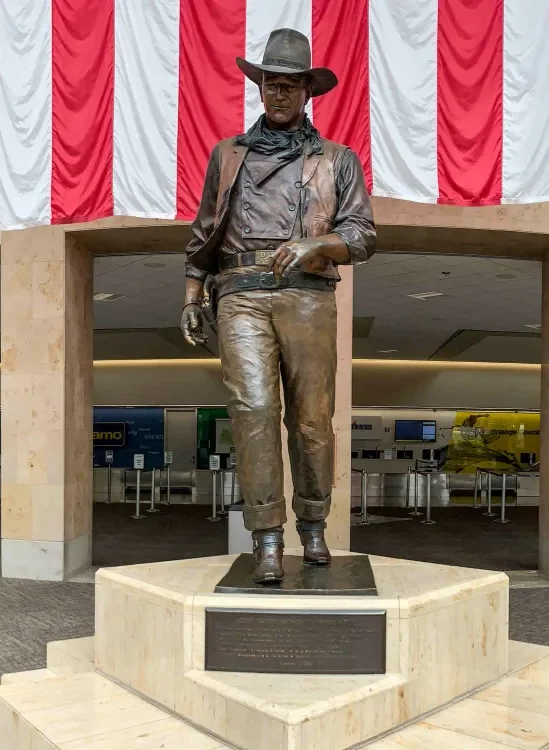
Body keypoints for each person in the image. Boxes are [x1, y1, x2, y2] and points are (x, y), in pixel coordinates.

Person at [181, 28, 376, 584]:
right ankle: (266, 536)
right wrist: (194, 292)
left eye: (291, 85)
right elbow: (203, 234)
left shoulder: (337, 160)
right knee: (253, 411)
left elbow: (362, 234)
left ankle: (313, 526)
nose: (280, 94)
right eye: (271, 83)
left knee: (312, 420)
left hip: (309, 296)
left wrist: (318, 245)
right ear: (259, 87)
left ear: (307, 92)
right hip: (240, 293)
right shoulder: (227, 156)